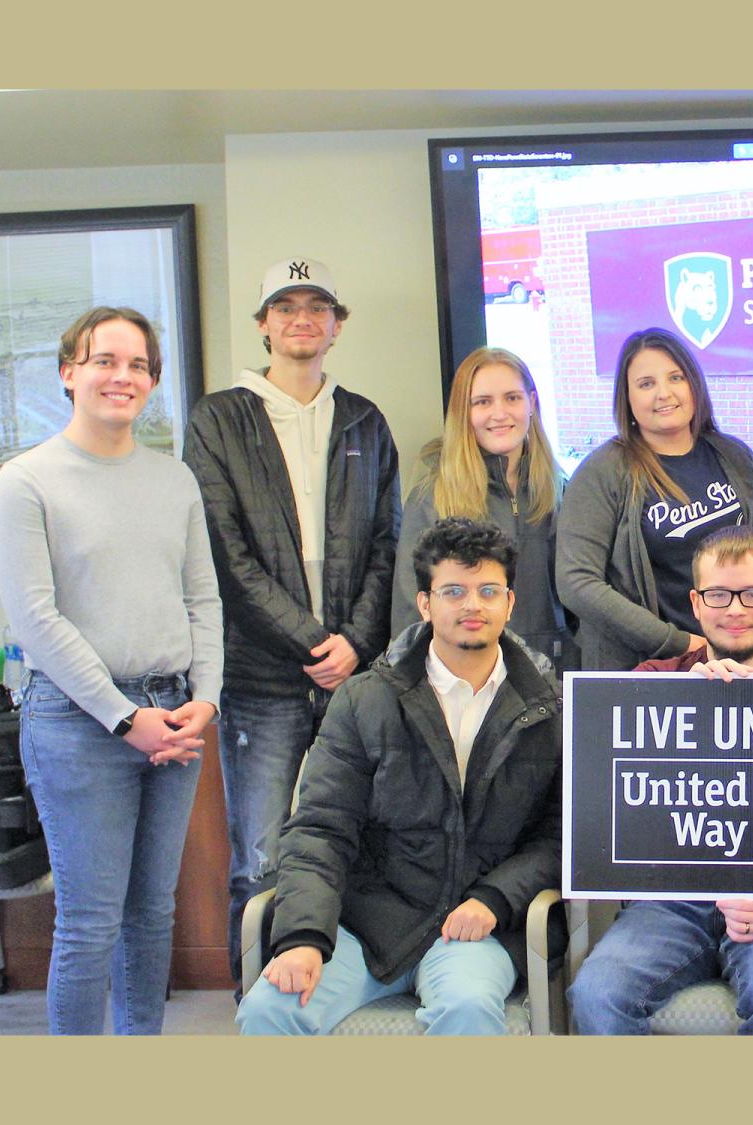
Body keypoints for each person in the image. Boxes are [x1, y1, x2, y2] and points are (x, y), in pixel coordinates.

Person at [0, 307, 223, 1034]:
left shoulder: (174, 479)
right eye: (104, 360)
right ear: (68, 373)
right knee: (90, 922)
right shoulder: (24, 481)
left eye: (139, 365)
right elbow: (35, 620)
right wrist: (124, 719)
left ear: (152, 381)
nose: (122, 376)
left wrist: (205, 701)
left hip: (175, 714)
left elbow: (203, 599)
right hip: (77, 722)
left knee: (152, 914)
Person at [235, 518, 561, 1035]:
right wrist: (302, 936)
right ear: (426, 604)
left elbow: (561, 836)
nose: (472, 605)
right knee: (269, 1010)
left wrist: (495, 898)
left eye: (487, 591)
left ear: (510, 602)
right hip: (366, 926)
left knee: (468, 1010)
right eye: (453, 591)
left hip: (475, 930)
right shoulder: (366, 700)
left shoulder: (552, 708)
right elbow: (319, 828)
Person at [183, 256, 401, 988]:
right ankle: (259, 1004)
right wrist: (312, 641)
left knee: (362, 841)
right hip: (260, 675)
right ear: (262, 324)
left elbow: (385, 546)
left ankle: (340, 989)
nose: (301, 318)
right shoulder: (219, 417)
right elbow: (225, 550)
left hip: (355, 676)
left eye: (317, 306)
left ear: (337, 326)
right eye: (285, 305)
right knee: (263, 855)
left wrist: (355, 643)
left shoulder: (365, 420)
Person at [568, 526, 753, 1034]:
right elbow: (602, 787)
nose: (735, 609)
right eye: (718, 594)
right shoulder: (652, 678)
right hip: (671, 900)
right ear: (696, 603)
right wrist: (678, 705)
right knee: (597, 993)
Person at [556, 327, 753, 671]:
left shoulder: (734, 456)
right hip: (646, 670)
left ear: (694, 384)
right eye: (646, 384)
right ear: (626, 398)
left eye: (676, 377)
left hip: (737, 663)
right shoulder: (603, 473)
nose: (664, 393)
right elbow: (577, 583)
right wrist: (680, 643)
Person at [391, 345, 571, 669]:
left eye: (512, 398)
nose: (499, 414)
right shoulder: (431, 497)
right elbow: (410, 612)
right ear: (464, 412)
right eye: (483, 402)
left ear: (531, 402)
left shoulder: (560, 490)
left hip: (550, 677)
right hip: (464, 681)